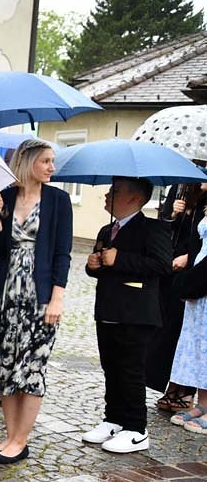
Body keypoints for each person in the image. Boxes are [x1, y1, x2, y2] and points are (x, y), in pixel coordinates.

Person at [0, 139, 72, 463]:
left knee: (31, 369)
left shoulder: (59, 200)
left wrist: (56, 299)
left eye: (52, 161)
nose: (51, 167)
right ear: (26, 161)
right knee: (6, 369)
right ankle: (10, 437)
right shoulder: (5, 197)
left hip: (40, 298)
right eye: (45, 161)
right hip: (5, 297)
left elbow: (62, 253)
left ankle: (20, 441)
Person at [82, 177, 172, 453]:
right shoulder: (106, 230)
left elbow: (162, 265)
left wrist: (119, 258)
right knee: (111, 367)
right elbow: (102, 267)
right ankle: (114, 418)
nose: (107, 195)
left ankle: (136, 428)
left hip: (136, 313)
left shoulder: (152, 228)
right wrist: (93, 265)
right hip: (108, 309)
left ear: (135, 198)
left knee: (131, 370)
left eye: (115, 191)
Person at [149, 179, 207, 411]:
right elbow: (163, 226)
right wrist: (173, 214)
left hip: (194, 269)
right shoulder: (181, 188)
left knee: (190, 333)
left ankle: (187, 392)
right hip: (172, 268)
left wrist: (189, 258)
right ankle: (171, 386)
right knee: (171, 331)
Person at [168, 212, 207, 434]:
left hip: (203, 280)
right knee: (199, 347)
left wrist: (192, 283)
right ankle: (203, 403)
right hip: (199, 283)